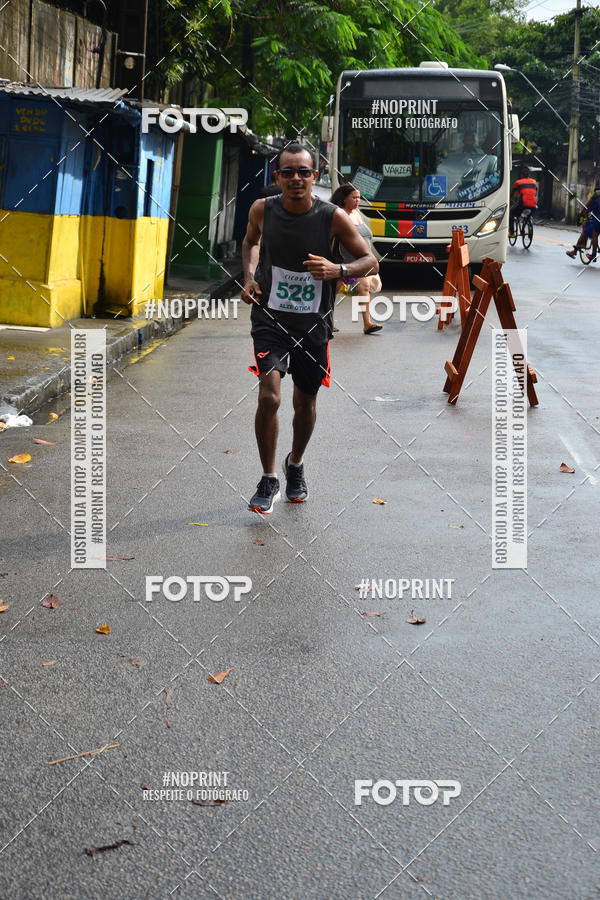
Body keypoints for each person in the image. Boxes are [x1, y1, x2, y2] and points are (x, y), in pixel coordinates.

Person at [241, 143, 378, 515]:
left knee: (306, 401)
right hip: (270, 319)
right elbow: (251, 243)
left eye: (304, 172)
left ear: (314, 176)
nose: (296, 179)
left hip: (314, 324)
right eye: (288, 172)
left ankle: (295, 464)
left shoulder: (333, 217)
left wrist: (339, 270)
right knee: (269, 397)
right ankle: (269, 478)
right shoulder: (262, 210)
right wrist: (250, 278)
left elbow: (370, 262)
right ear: (277, 177)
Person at [330, 183, 383, 335]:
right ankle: (327, 321)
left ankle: (367, 323)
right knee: (332, 292)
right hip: (344, 261)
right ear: (344, 198)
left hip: (362, 262)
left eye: (359, 198)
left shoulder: (357, 213)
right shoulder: (339, 214)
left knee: (364, 288)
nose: (357, 200)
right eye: (354, 197)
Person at [566, 184, 600, 261]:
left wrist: (580, 216)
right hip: (596, 219)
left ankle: (591, 254)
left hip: (597, 220)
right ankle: (580, 248)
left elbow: (586, 208)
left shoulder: (596, 197)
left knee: (592, 232)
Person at [510, 166, 538, 236]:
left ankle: (512, 233)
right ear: (529, 175)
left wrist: (509, 199)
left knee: (512, 213)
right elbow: (535, 191)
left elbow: (512, 192)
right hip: (534, 205)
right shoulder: (534, 182)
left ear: (521, 175)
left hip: (523, 204)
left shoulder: (518, 182)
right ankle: (525, 226)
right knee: (528, 216)